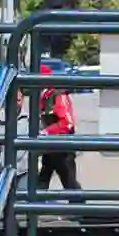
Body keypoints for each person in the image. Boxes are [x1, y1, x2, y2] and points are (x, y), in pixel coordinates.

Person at [36, 65, 80, 193]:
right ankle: (34, 208)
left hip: (62, 148)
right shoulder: (44, 96)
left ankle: (80, 210)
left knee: (69, 182)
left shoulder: (58, 95)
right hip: (50, 147)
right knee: (42, 180)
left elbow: (67, 123)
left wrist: (46, 131)